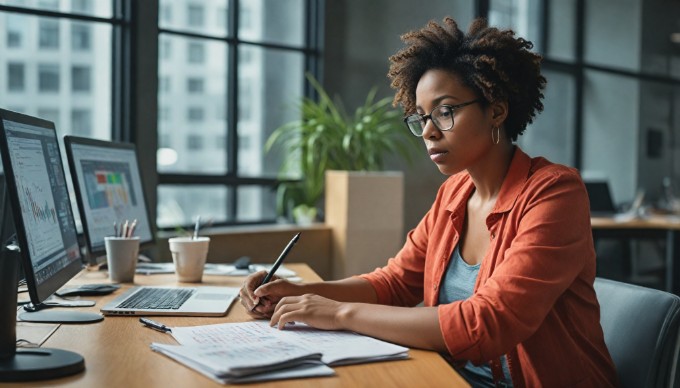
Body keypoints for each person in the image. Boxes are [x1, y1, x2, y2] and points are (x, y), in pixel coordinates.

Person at [240, 17, 618, 387]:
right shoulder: (454, 194)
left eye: (445, 111)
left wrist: (339, 313)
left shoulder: (554, 192)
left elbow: (488, 322)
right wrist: (298, 293)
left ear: (497, 110)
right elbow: (394, 283)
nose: (428, 131)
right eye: (421, 117)